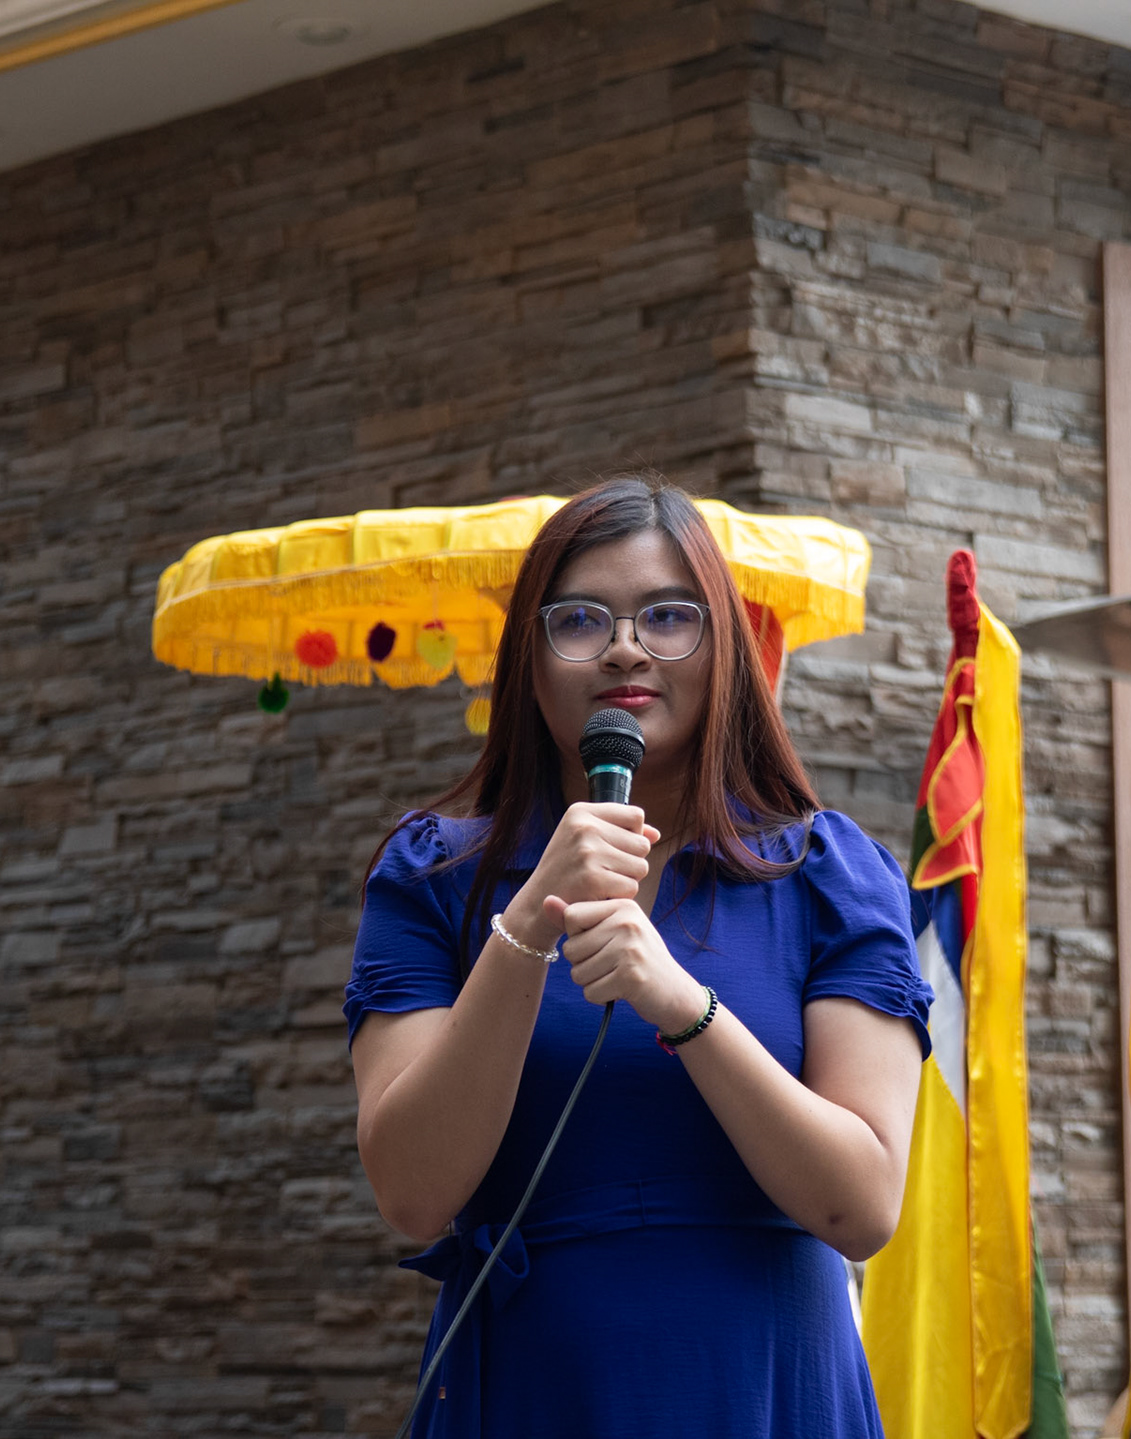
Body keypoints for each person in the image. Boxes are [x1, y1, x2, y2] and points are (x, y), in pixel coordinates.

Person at [347, 477, 933, 1437]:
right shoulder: (433, 876)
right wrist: (527, 923)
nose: (626, 646)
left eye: (668, 616)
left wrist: (686, 1009)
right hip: (536, 1391)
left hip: (766, 1390)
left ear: (725, 649)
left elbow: (863, 1204)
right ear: (528, 658)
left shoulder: (828, 874)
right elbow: (412, 1191)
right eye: (580, 619)